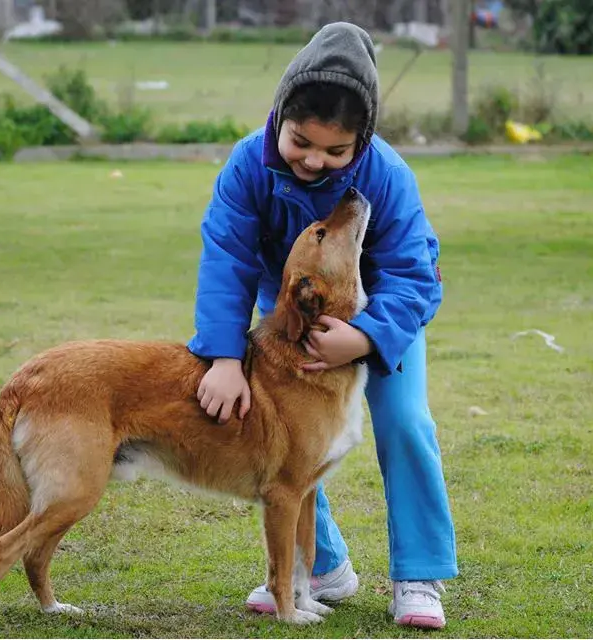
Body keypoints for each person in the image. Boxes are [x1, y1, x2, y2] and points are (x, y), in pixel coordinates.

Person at [186, 21, 457, 629]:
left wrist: (365, 337)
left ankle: (418, 576)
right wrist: (225, 359)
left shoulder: (387, 177)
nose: (314, 160)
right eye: (301, 142)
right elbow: (225, 260)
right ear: (279, 115)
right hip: (287, 325)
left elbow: (417, 274)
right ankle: (319, 565)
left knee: (406, 422)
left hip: (382, 321)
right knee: (289, 435)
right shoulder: (246, 167)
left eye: (336, 152)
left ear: (362, 142)